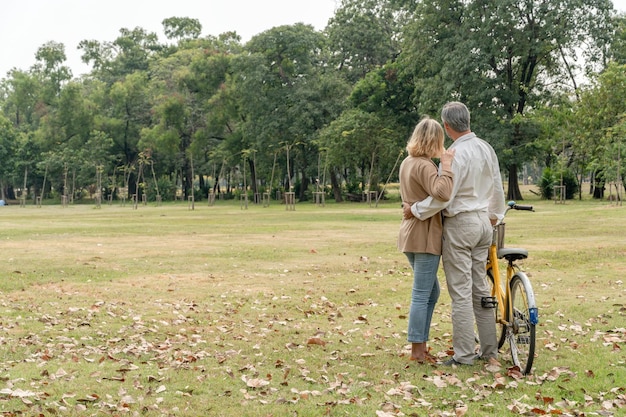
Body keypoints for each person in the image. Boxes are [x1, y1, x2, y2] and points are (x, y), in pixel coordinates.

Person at [403, 102, 506, 366]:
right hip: (484, 222)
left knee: (461, 292)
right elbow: (496, 185)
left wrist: (415, 209)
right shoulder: (486, 148)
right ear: (468, 120)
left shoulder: (454, 153)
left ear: (447, 127)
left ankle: (464, 356)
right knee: (481, 290)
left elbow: (443, 199)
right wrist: (494, 216)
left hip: (461, 224)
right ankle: (490, 352)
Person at [397, 116, 455, 363]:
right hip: (424, 236)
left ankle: (421, 343)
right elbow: (442, 193)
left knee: (431, 293)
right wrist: (447, 167)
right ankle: (417, 351)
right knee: (422, 294)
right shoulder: (425, 165)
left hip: (410, 234)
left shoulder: (407, 162)